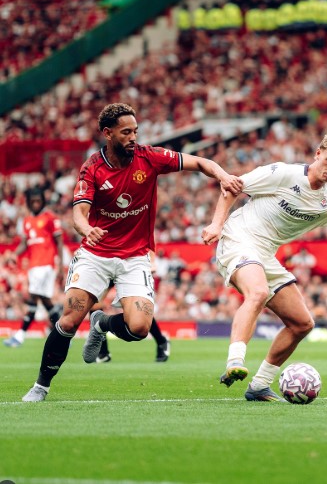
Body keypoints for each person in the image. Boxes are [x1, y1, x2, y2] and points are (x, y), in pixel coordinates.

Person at [22, 102, 242, 402]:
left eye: (135, 131)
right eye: (126, 132)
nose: (133, 137)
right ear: (107, 133)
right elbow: (78, 215)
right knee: (69, 321)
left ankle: (102, 323)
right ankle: (41, 386)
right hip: (96, 254)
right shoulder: (92, 168)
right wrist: (87, 229)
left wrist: (223, 176)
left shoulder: (149, 157)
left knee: (139, 328)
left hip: (134, 256)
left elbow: (200, 162)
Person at [202, 129, 327, 402]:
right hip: (238, 239)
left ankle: (259, 385)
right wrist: (216, 224)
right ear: (318, 154)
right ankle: (235, 361)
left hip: (265, 254)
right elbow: (232, 187)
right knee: (258, 292)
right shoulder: (283, 173)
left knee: (302, 324)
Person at [4, 187, 64, 347]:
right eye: (33, 201)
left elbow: (59, 242)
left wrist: (60, 266)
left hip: (46, 264)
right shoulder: (27, 221)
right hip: (34, 265)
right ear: (29, 203)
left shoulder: (50, 218)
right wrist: (14, 254)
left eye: (38, 201)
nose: (36, 204)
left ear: (43, 201)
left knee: (33, 297)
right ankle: (63, 336)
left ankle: (20, 335)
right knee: (45, 300)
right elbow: (24, 244)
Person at [92, 251, 170, 363]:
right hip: (108, 261)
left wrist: (152, 260)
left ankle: (161, 341)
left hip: (130, 264)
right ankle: (103, 352)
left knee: (138, 309)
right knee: (94, 304)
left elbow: (148, 240)